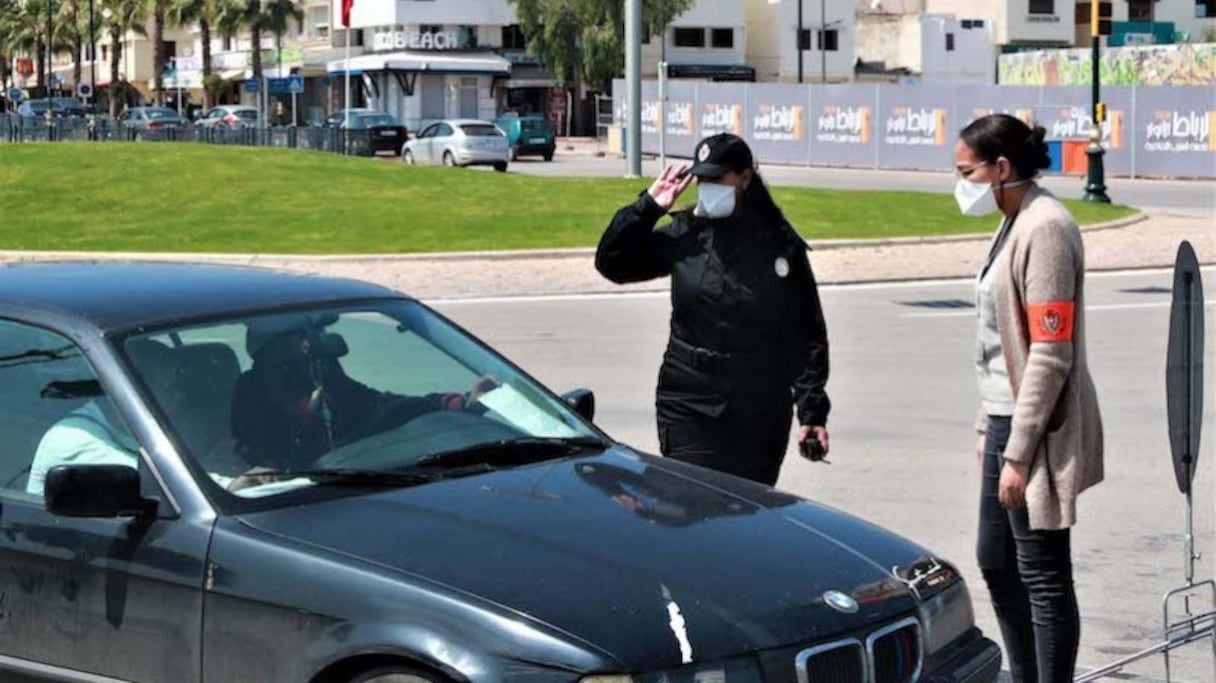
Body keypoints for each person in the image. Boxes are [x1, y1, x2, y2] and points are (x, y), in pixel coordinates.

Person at [956, 114, 1104, 683]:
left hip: (1034, 427)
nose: (961, 184)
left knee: (1041, 572)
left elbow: (1048, 352)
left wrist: (1017, 453)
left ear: (1002, 167)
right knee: (996, 561)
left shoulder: (1046, 227)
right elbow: (999, 343)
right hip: (1001, 419)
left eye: (967, 172)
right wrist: (983, 424)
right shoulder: (1012, 220)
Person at [595, 133, 830, 486]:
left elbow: (805, 331)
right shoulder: (686, 234)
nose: (707, 186)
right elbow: (613, 263)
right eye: (702, 178)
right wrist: (647, 207)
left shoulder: (779, 245)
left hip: (758, 403)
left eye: (717, 178)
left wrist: (811, 410)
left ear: (745, 179)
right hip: (689, 397)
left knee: (746, 516)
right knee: (691, 509)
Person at [231, 318, 497, 471]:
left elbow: (381, 405)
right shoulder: (253, 394)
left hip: (367, 474)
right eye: (299, 341)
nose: (310, 347)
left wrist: (460, 404)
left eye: (310, 339)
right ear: (268, 353)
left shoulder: (327, 379)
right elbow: (257, 459)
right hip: (306, 498)